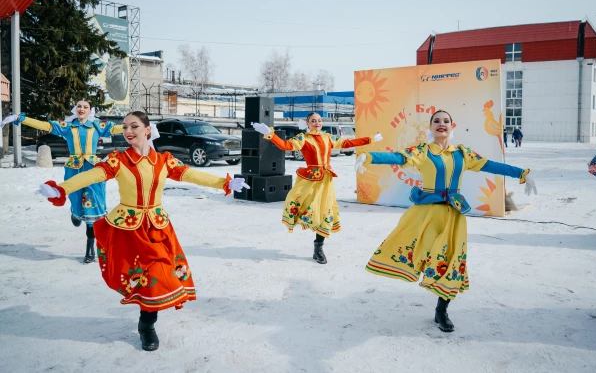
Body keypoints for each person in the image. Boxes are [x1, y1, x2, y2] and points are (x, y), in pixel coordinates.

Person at [34, 111, 250, 351]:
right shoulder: (118, 160)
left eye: (134, 126)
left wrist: (225, 183)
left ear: (148, 130)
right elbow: (91, 175)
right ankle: (147, 326)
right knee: (147, 278)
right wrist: (61, 189)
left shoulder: (164, 160)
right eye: (125, 127)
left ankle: (147, 322)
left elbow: (192, 174)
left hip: (158, 227)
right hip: (129, 229)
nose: (128, 131)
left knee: (159, 275)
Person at [355, 110, 537, 333]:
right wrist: (370, 156)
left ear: (452, 126)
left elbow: (491, 165)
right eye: (436, 121)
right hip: (428, 215)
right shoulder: (423, 151)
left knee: (451, 261)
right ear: (430, 127)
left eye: (446, 121)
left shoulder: (462, 154)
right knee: (421, 252)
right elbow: (399, 157)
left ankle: (442, 310)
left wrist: (522, 173)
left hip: (453, 216)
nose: (441, 124)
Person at [1, 100, 124, 263]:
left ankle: (90, 250)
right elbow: (45, 126)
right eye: (79, 106)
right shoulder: (68, 127)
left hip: (94, 170)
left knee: (92, 211)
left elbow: (117, 128)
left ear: (90, 110)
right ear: (75, 109)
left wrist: (141, 125)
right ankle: (75, 213)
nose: (82, 109)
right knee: (77, 202)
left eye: (85, 107)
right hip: (74, 169)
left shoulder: (97, 126)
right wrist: (20, 118)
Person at [252, 112, 382, 264]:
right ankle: (307, 229)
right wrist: (270, 135)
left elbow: (347, 144)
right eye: (313, 121)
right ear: (307, 123)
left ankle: (318, 248)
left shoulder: (327, 137)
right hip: (310, 181)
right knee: (309, 208)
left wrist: (370, 139)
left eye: (319, 120)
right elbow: (286, 146)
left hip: (326, 181)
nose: (317, 123)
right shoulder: (303, 139)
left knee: (326, 212)